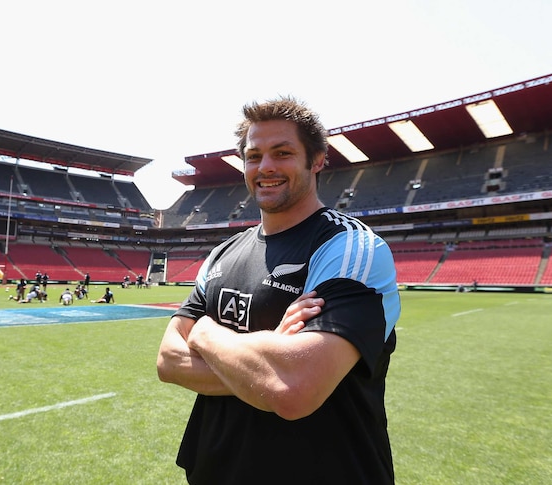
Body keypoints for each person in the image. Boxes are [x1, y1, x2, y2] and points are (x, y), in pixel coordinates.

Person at [156, 96, 401, 484]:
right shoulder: (223, 253)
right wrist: (269, 354)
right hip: (214, 471)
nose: (265, 167)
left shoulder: (350, 248)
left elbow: (293, 391)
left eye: (282, 152)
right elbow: (168, 362)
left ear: (317, 159)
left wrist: (204, 333)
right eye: (254, 156)